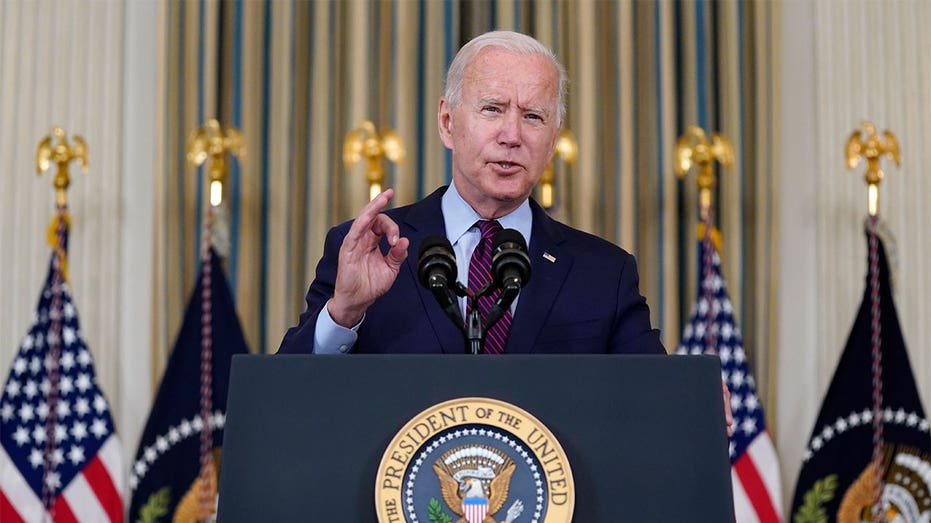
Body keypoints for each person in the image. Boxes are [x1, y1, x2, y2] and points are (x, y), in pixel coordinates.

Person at [278, 30, 664, 357]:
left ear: (553, 141)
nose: (511, 136)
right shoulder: (370, 249)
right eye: (492, 109)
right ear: (447, 123)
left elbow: (654, 395)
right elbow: (285, 398)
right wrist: (344, 313)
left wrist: (689, 396)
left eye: (533, 117)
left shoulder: (604, 272)